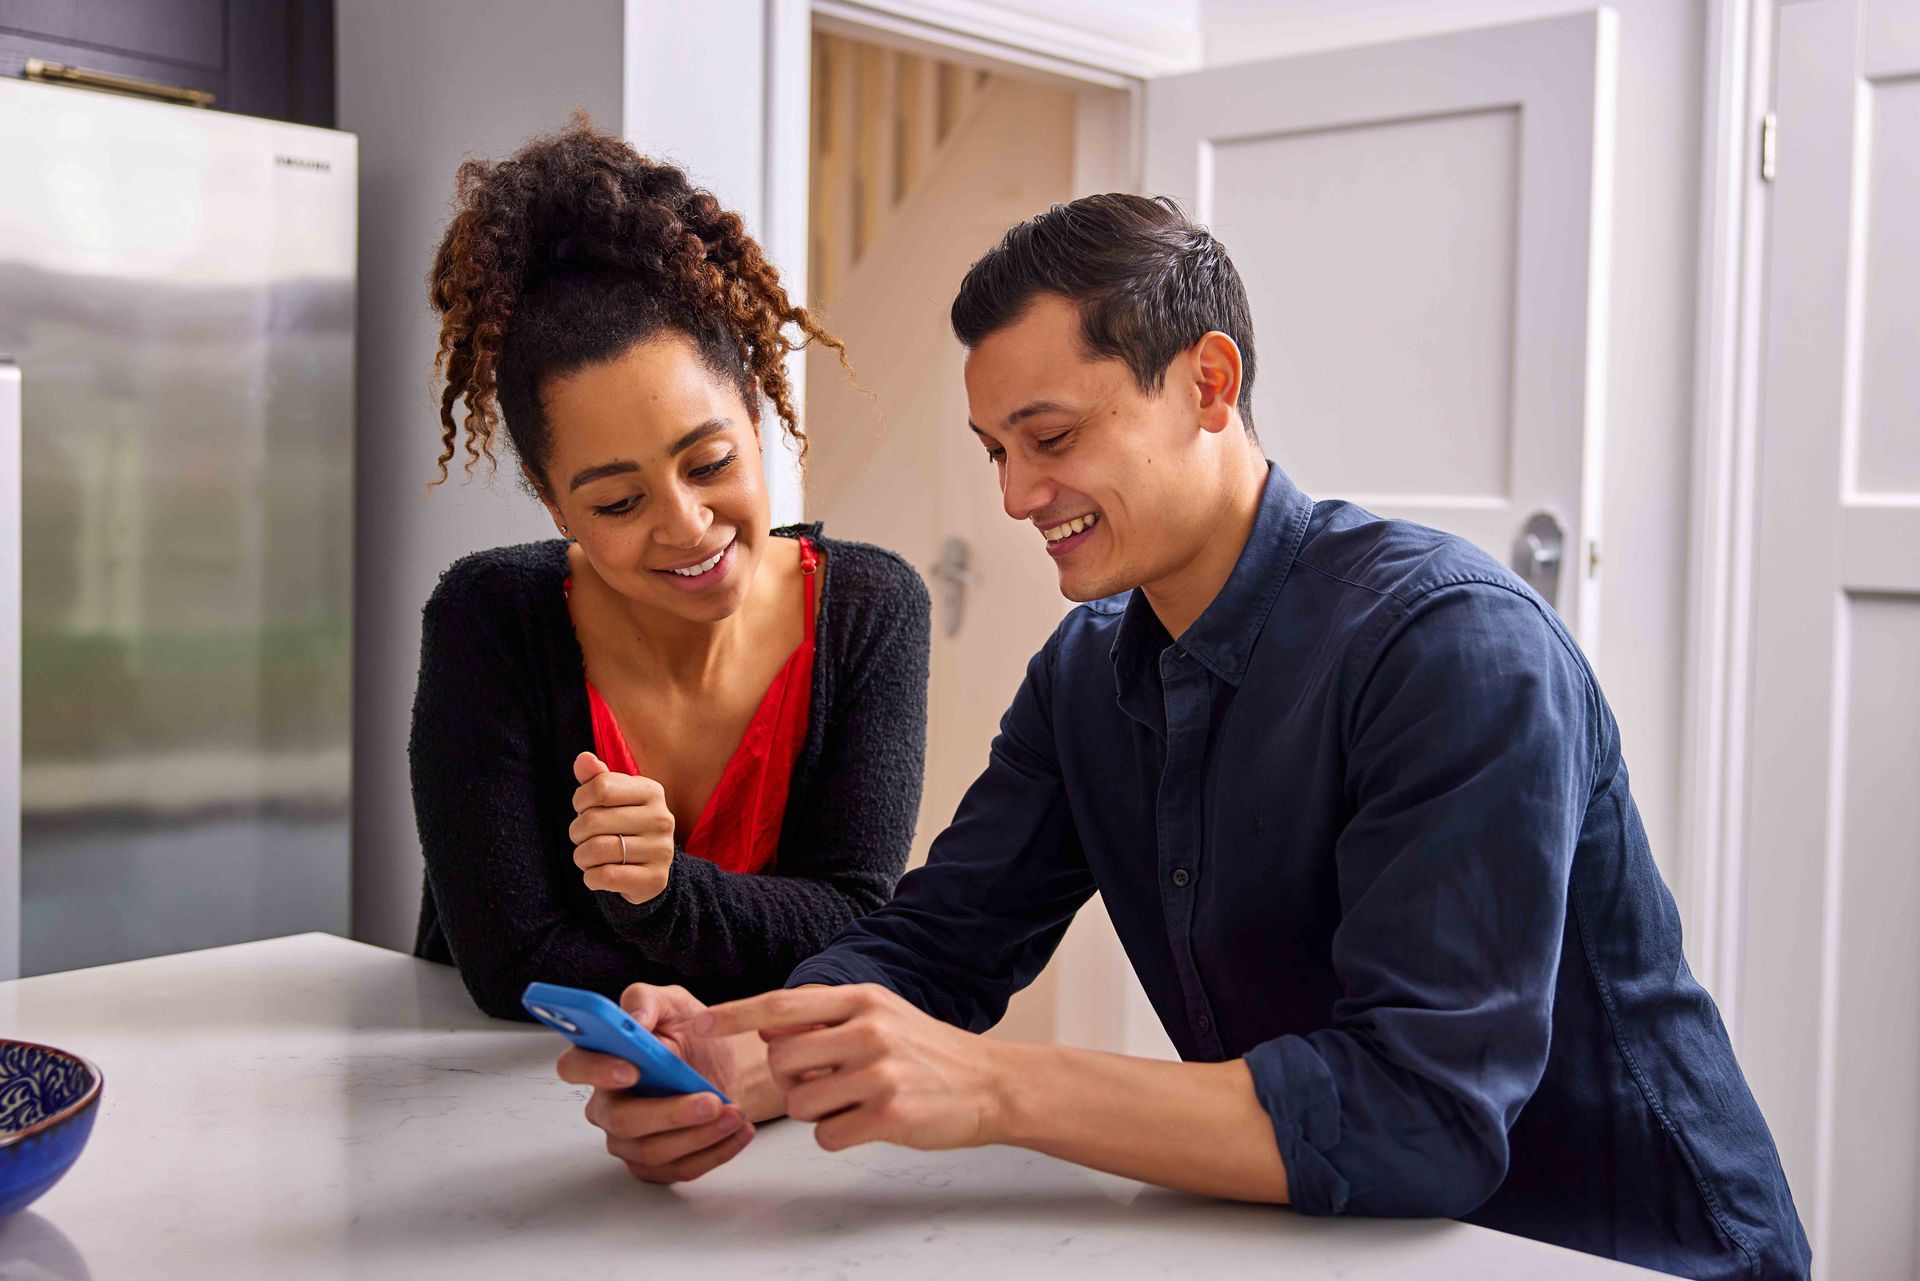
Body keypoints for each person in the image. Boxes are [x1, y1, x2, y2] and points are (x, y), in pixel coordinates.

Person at [553, 194, 1810, 1280]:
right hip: (1343, 1240)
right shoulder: (1087, 673)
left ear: (1209, 383)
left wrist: (995, 1091)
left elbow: (1420, 1117)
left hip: (1628, 1252)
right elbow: (942, 944)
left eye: (1051, 438)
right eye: (996, 451)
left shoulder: (1454, 650)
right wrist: (748, 1052)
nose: (1013, 495)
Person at [408, 117, 930, 1019]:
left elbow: (856, 920)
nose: (687, 526)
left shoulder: (872, 612)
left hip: (769, 1097)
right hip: (495, 1092)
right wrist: (765, 950)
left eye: (710, 463)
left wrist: (665, 897)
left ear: (758, 414)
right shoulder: (488, 618)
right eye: (617, 502)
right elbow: (508, 965)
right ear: (551, 501)